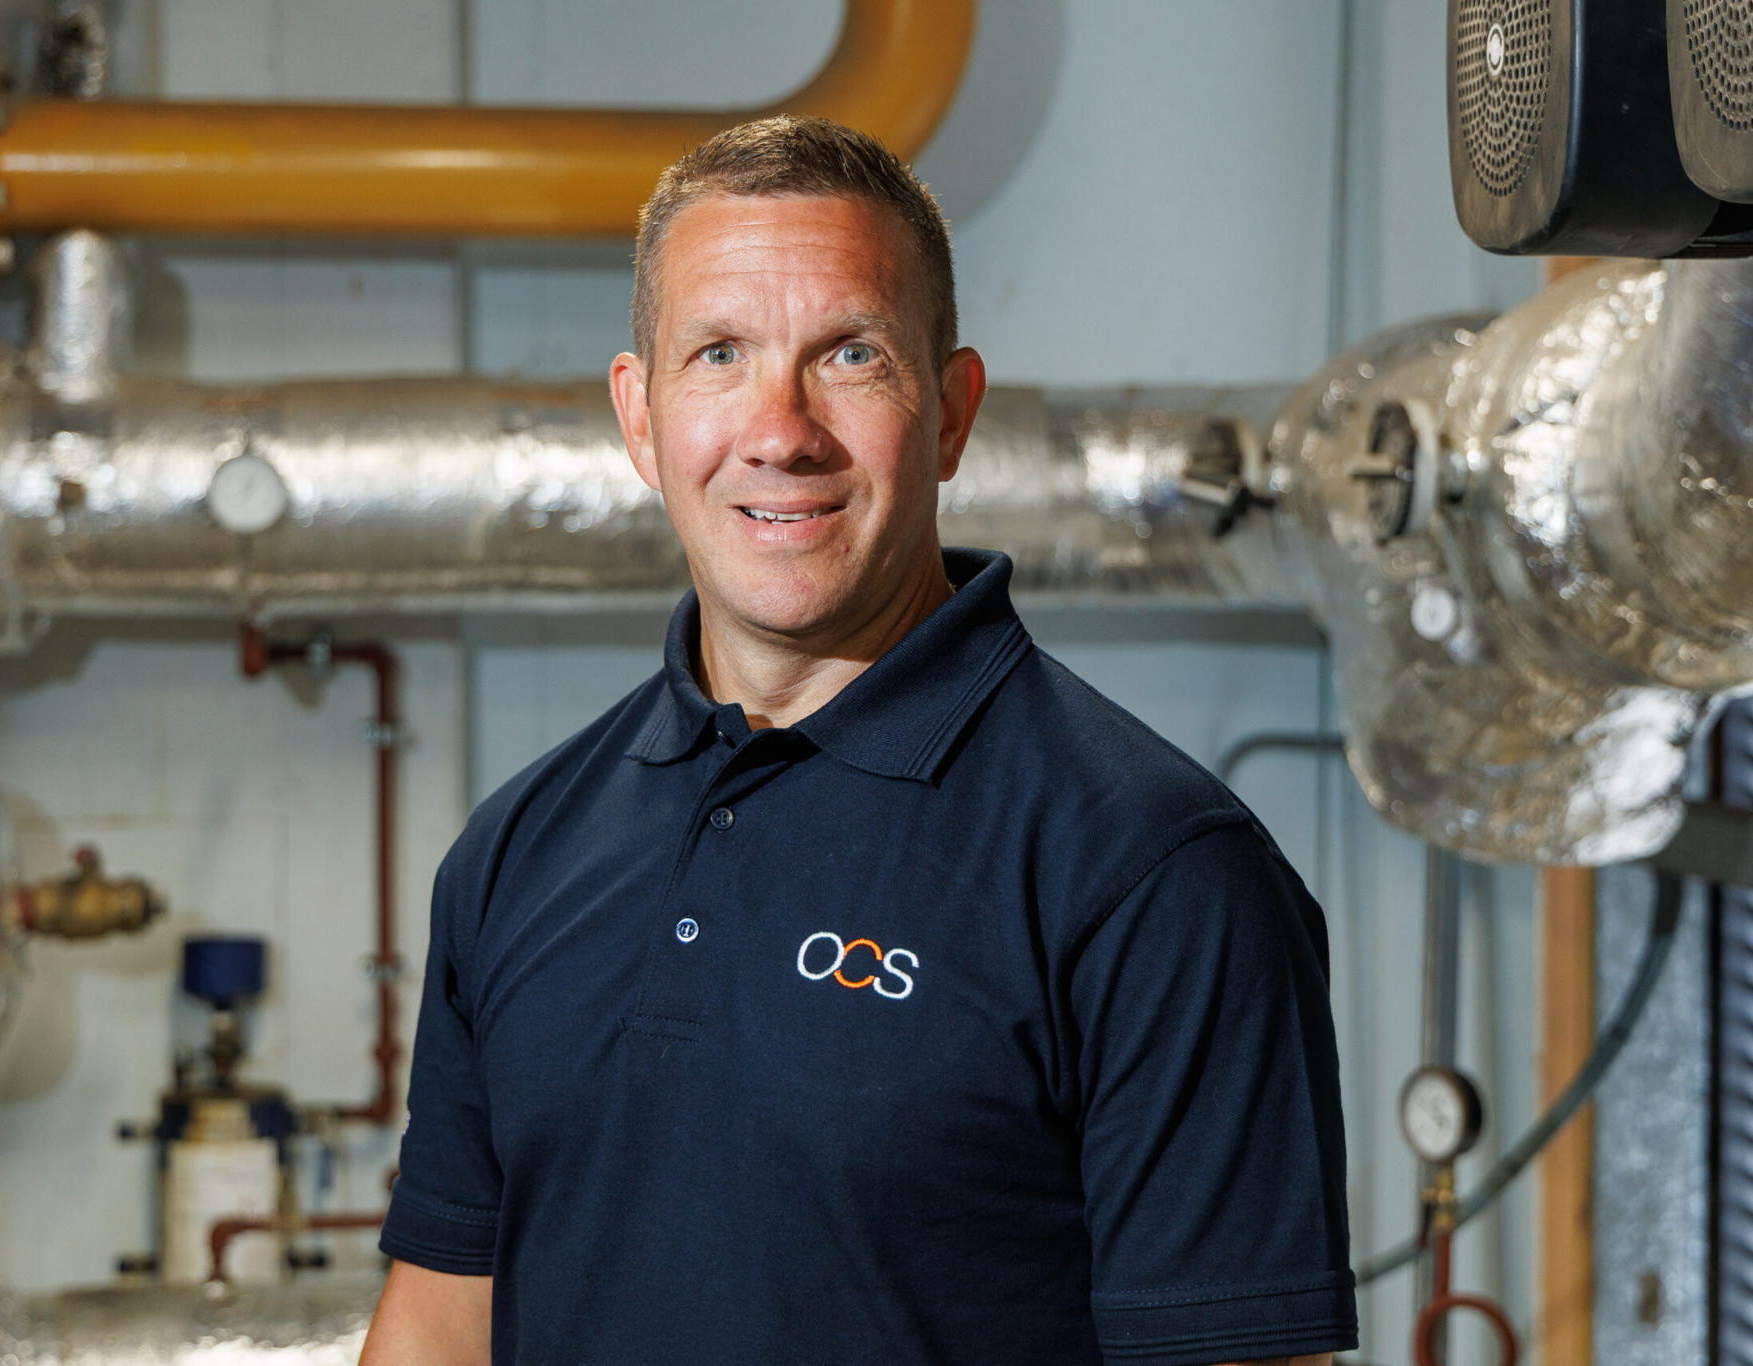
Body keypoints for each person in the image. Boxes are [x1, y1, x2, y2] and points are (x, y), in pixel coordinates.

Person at [361, 116, 1355, 1366]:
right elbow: (441, 1325)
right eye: (717, 353)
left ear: (947, 413)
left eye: (847, 354)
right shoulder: (516, 850)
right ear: (640, 416)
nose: (780, 430)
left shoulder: (1153, 873)